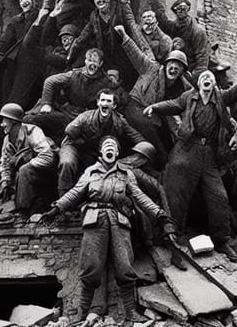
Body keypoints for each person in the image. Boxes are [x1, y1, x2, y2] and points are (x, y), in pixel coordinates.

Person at [144, 62, 237, 261]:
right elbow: (172, 105)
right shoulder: (188, 98)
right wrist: (154, 107)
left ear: (214, 83)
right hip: (186, 149)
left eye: (210, 78)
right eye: (203, 78)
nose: (207, 80)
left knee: (219, 196)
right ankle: (173, 235)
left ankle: (222, 240)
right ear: (198, 84)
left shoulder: (221, 97)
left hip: (208, 153)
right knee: (176, 192)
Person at [40, 136, 169, 326]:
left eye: (113, 147)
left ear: (117, 153)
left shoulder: (126, 174)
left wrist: (159, 214)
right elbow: (76, 193)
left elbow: (140, 196)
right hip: (95, 220)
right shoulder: (90, 172)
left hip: (119, 221)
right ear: (101, 152)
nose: (110, 149)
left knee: (125, 268)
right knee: (90, 267)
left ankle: (130, 316)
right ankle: (81, 315)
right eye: (107, 146)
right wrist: (57, 208)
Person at [115, 25, 189, 165]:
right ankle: (162, 162)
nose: (173, 68)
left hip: (155, 115)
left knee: (167, 136)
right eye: (171, 64)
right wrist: (124, 36)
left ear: (182, 71)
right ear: (166, 65)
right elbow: (136, 54)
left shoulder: (181, 87)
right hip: (135, 106)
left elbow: (192, 97)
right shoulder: (151, 68)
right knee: (151, 135)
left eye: (178, 66)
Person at [57, 89, 145, 195]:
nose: (105, 103)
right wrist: (84, 143)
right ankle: (62, 198)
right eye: (102, 100)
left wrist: (128, 161)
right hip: (73, 146)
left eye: (109, 101)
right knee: (67, 162)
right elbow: (69, 132)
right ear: (98, 102)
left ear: (114, 105)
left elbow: (138, 139)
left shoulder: (120, 122)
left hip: (95, 153)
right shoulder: (85, 117)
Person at [67, 0, 149, 90]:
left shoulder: (120, 9)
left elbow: (133, 29)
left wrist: (143, 49)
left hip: (125, 55)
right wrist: (70, 55)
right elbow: (82, 38)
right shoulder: (94, 16)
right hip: (107, 57)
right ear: (94, 2)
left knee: (128, 83)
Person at [24, 48, 110, 143]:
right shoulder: (73, 75)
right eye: (89, 61)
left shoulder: (107, 82)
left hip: (87, 123)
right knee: (29, 120)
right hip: (66, 115)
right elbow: (50, 82)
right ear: (85, 61)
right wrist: (46, 104)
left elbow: (119, 98)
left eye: (95, 61)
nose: (91, 64)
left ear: (101, 63)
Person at [0, 103, 56, 222]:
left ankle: (23, 211)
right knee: (15, 174)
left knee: (24, 170)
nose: (2, 124)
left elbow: (48, 157)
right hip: (28, 179)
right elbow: (5, 163)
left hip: (47, 175)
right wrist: (6, 182)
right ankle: (20, 208)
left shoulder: (33, 132)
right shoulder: (7, 139)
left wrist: (27, 165)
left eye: (4, 120)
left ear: (14, 122)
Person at [149, 0, 209, 77]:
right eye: (178, 9)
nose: (181, 11)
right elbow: (162, 19)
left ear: (188, 10)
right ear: (175, 11)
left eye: (183, 9)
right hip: (174, 67)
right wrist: (154, 0)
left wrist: (196, 76)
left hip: (190, 70)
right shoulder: (173, 26)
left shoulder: (197, 32)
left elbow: (202, 58)